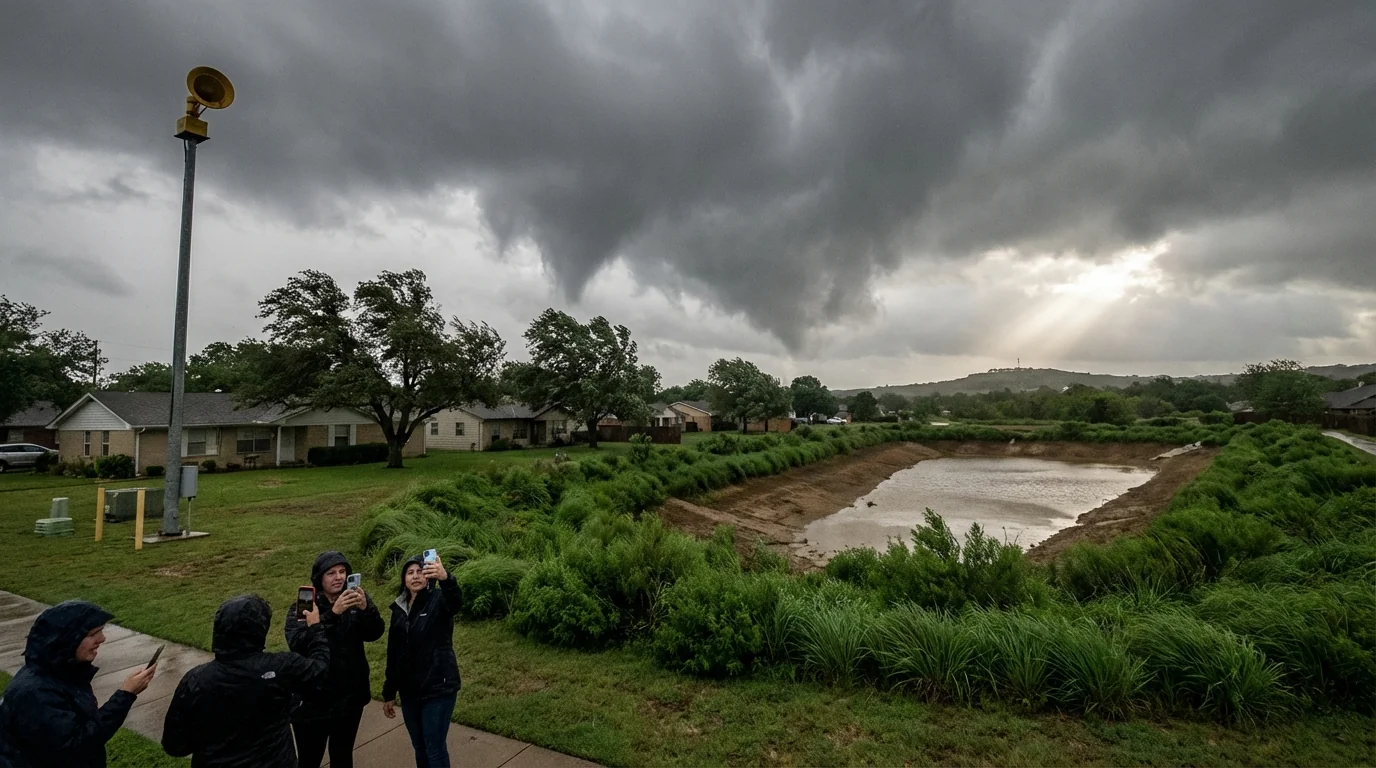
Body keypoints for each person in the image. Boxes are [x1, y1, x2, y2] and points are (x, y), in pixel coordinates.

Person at [162, 594, 329, 768]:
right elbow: (320, 668)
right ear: (259, 630)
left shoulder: (195, 680)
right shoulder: (280, 668)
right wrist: (316, 628)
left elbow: (175, 745)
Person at [0, 600, 156, 768]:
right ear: (66, 640)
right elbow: (78, 744)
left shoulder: (63, 672)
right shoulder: (36, 693)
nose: (102, 639)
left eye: (101, 631)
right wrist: (125, 694)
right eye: (92, 634)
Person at [285, 551, 384, 768]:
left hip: (349, 698)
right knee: (310, 759)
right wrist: (333, 614)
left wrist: (367, 609)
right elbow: (298, 643)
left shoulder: (354, 600)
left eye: (342, 572)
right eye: (331, 573)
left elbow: (375, 633)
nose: (338, 577)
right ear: (320, 578)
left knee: (342, 755)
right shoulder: (305, 605)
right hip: (314, 701)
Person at [382, 553, 463, 768]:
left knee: (434, 748)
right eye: (410, 573)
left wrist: (446, 578)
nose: (415, 576)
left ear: (429, 577)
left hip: (438, 687)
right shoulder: (399, 609)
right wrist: (390, 692)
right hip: (410, 691)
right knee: (419, 746)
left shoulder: (438, 600)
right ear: (404, 579)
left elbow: (456, 601)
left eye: (420, 571)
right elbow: (394, 652)